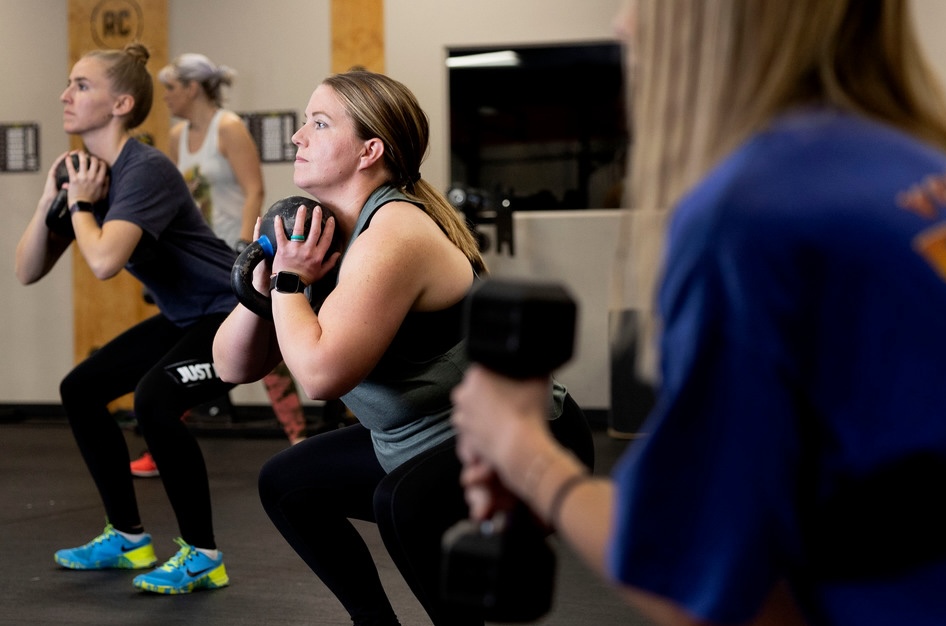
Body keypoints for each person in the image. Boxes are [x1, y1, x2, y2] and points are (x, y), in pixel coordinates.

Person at [451, 1, 946, 625]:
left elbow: (713, 600)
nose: (623, 24)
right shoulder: (944, 175)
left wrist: (519, 445)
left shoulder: (756, 212)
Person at [212, 69, 594, 625]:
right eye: (303, 122)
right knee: (287, 482)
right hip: (416, 441)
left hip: (523, 441)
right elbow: (230, 365)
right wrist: (262, 286)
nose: (298, 137)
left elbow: (321, 377)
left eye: (319, 123)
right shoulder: (317, 234)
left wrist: (290, 285)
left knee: (403, 502)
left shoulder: (394, 233)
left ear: (370, 150)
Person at [15, 43, 238, 595]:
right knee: (82, 389)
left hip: (236, 315)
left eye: (82, 86)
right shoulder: (85, 174)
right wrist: (52, 197)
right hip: (186, 316)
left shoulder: (146, 170)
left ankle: (204, 555)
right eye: (69, 84)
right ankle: (128, 537)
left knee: (154, 400)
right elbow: (26, 270)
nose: (66, 95)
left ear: (121, 103)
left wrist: (83, 208)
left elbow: (105, 261)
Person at [126, 53, 310, 480]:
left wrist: (246, 252)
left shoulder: (228, 128)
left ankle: (300, 440)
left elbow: (254, 189)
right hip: (195, 258)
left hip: (234, 251)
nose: (166, 96)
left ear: (192, 88)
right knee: (185, 352)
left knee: (266, 353)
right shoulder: (175, 135)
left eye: (171, 87)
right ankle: (161, 438)